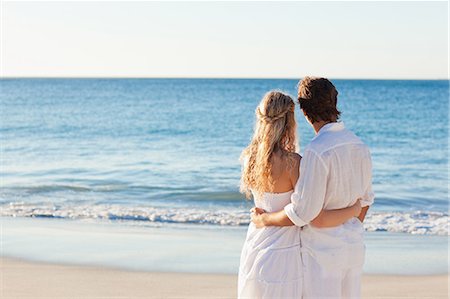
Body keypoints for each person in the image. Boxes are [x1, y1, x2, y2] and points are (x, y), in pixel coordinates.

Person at [251, 78, 374, 299]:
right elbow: (365, 203)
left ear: (305, 112)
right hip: (353, 250)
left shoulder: (317, 151)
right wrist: (351, 217)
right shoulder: (360, 146)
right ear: (335, 103)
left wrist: (265, 219)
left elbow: (307, 215)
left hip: (322, 256)